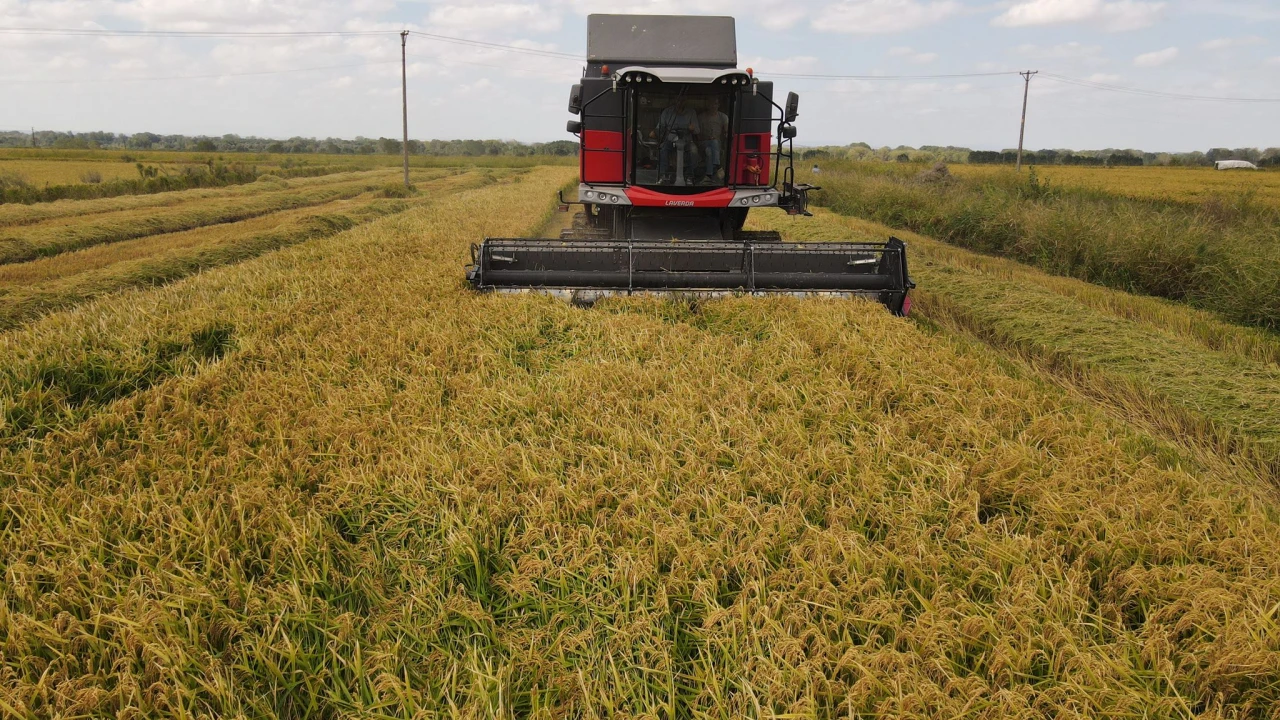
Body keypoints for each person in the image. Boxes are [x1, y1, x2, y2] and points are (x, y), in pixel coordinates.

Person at [650, 96, 699, 184]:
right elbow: (660, 127)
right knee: (662, 148)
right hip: (671, 140)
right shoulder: (667, 112)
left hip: (686, 140)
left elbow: (697, 130)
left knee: (693, 150)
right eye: (678, 99)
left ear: (686, 101)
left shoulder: (691, 112)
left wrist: (692, 128)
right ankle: (663, 175)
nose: (680, 102)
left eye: (682, 100)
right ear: (674, 100)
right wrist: (655, 132)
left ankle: (689, 176)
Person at [697, 98, 728, 184]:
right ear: (707, 105)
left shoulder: (723, 117)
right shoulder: (701, 117)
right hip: (703, 142)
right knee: (712, 144)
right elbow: (697, 134)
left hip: (717, 144)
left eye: (715, 104)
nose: (713, 106)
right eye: (711, 104)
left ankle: (709, 175)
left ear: (718, 105)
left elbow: (727, 131)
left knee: (709, 151)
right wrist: (707, 137)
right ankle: (717, 166)